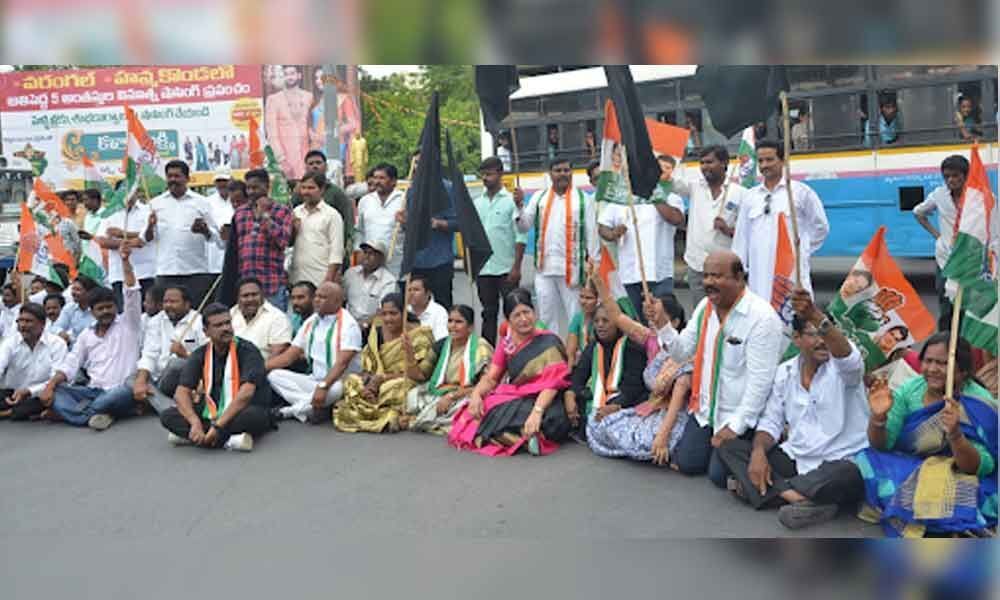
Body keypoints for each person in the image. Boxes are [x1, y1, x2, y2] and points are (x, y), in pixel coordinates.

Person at [717, 288, 869, 530]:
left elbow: (849, 357)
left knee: (849, 474)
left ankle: (774, 491)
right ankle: (799, 498)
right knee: (729, 446)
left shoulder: (844, 370)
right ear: (796, 339)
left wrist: (816, 316)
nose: (822, 341)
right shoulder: (784, 373)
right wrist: (758, 453)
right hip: (799, 458)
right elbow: (771, 423)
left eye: (825, 333)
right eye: (812, 334)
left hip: (840, 460)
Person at [653, 250, 785, 486]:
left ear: (739, 279)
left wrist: (735, 427)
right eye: (705, 276)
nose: (708, 283)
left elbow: (760, 383)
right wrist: (663, 326)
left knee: (718, 476)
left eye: (717, 276)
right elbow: (682, 351)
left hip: (739, 413)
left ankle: (763, 446)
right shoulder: (705, 307)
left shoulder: (762, 318)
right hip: (706, 411)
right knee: (688, 463)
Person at [855, 333, 997, 537]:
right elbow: (883, 445)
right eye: (928, 361)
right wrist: (878, 418)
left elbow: (978, 468)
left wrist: (956, 434)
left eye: (942, 363)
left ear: (963, 370)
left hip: (959, 476)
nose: (932, 369)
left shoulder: (980, 403)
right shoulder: (910, 390)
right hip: (910, 465)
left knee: (957, 495)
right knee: (865, 459)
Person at [447, 289, 574, 456]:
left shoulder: (550, 341)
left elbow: (552, 384)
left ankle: (510, 435)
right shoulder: (507, 344)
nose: (523, 319)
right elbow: (492, 378)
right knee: (485, 407)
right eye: (517, 315)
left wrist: (537, 412)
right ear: (509, 321)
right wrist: (476, 395)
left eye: (526, 312)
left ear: (534, 313)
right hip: (518, 397)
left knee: (554, 421)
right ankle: (522, 437)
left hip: (547, 399)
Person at [582, 286, 692, 465]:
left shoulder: (683, 351)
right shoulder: (650, 339)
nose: (653, 320)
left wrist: (662, 437)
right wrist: (598, 281)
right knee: (597, 422)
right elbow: (617, 316)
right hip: (651, 406)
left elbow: (678, 397)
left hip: (673, 415)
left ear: (675, 322)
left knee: (645, 441)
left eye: (659, 316)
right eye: (651, 316)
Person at [38, 245, 142, 430]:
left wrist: (125, 262)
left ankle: (78, 414)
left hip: (120, 390)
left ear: (115, 307)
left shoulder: (128, 325)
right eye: (100, 309)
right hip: (92, 391)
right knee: (58, 392)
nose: (106, 312)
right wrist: (51, 385)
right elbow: (71, 364)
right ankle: (101, 413)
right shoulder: (86, 336)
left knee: (118, 394)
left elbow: (132, 293)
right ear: (92, 312)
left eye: (109, 307)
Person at [159, 303, 273, 451]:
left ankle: (201, 438)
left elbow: (246, 394)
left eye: (227, 323)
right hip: (212, 409)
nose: (225, 328)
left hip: (243, 408)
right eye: (218, 325)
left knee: (252, 417)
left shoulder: (248, 350)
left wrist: (218, 426)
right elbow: (181, 393)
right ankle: (228, 440)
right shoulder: (200, 354)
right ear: (206, 332)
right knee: (167, 416)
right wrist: (194, 422)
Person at [733, 140, 829, 299]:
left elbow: (820, 227)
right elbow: (741, 239)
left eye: (770, 160)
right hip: (759, 276)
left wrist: (801, 249)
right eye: (761, 161)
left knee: (792, 316)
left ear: (783, 161)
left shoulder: (800, 192)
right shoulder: (750, 197)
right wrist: (739, 272)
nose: (764, 165)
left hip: (790, 273)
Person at [515, 158, 598, 337]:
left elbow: (592, 236)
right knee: (546, 317)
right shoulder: (539, 198)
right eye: (558, 170)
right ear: (550, 173)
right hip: (544, 270)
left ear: (572, 173)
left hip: (573, 271)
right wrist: (519, 206)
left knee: (576, 317)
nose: (562, 174)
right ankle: (551, 356)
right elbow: (523, 226)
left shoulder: (583, 200)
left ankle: (577, 355)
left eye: (566, 170)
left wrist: (593, 271)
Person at [333, 293, 436, 433]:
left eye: (393, 313)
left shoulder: (420, 336)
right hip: (375, 381)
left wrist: (409, 355)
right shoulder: (377, 332)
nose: (388, 318)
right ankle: (378, 411)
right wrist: (368, 379)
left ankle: (377, 413)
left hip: (403, 381)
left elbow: (420, 376)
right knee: (351, 381)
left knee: (395, 387)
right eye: (384, 314)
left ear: (404, 313)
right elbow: (369, 364)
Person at [598, 162, 685, 320]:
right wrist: (612, 233)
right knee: (634, 322)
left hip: (659, 274)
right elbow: (603, 226)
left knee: (661, 320)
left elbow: (676, 218)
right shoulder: (621, 198)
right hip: (629, 274)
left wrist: (655, 196)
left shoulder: (669, 196)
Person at [267, 282, 362, 423]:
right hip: (313, 379)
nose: (316, 300)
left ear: (337, 301)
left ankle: (288, 411)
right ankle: (314, 407)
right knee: (274, 375)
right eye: (316, 296)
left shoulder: (349, 325)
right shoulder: (311, 321)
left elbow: (342, 364)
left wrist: (323, 387)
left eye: (322, 297)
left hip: (340, 381)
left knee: (336, 389)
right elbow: (289, 356)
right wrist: (259, 368)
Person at [401, 304, 494, 434]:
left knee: (466, 408)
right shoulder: (442, 344)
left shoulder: (481, 347)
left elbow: (488, 384)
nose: (453, 326)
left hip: (467, 394)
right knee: (411, 395)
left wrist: (452, 396)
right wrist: (410, 354)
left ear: (470, 327)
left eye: (459, 322)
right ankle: (428, 418)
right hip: (440, 392)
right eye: (450, 321)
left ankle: (424, 419)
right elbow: (420, 375)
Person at [567, 303, 650, 442]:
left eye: (605, 321)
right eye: (596, 321)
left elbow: (634, 387)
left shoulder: (632, 347)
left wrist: (616, 406)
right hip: (600, 400)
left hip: (626, 401)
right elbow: (578, 377)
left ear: (619, 324)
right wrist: (569, 395)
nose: (600, 325)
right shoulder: (594, 346)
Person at [120, 284, 206, 415]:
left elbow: (209, 358)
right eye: (166, 301)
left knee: (175, 364)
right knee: (132, 380)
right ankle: (174, 410)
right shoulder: (156, 321)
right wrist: (141, 381)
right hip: (160, 381)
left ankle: (158, 405)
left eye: (173, 302)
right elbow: (149, 353)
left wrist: (185, 355)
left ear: (187, 304)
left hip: (189, 379)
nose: (168, 305)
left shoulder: (199, 321)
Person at [684, 146, 749, 309]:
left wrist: (727, 230)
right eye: (702, 163)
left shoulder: (740, 193)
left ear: (724, 163)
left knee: (727, 313)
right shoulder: (695, 187)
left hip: (726, 270)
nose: (705, 167)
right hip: (697, 265)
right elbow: (669, 182)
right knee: (702, 316)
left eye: (710, 162)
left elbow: (749, 234)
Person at [150, 159, 221, 308]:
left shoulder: (202, 202)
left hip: (195, 271)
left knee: (196, 316)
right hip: (166, 271)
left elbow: (219, 239)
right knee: (166, 316)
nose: (173, 180)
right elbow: (146, 239)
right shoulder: (155, 204)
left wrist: (205, 230)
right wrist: (150, 226)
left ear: (187, 179)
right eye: (169, 176)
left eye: (177, 176)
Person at [473, 157, 526, 346]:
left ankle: (516, 351)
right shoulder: (477, 203)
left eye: (490, 174)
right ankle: (487, 356)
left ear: (500, 173)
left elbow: (521, 236)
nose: (486, 178)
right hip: (484, 269)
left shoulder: (512, 202)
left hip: (506, 268)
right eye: (483, 175)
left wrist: (517, 267)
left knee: (513, 312)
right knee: (488, 313)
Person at [913, 155, 969, 330]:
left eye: (955, 175)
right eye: (947, 176)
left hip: (970, 258)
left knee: (968, 305)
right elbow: (918, 213)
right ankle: (945, 343)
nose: (951, 180)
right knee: (946, 303)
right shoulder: (939, 195)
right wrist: (937, 235)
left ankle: (965, 347)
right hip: (945, 258)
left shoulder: (977, 196)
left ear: (965, 175)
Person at [400, 150, 458, 310]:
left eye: (422, 162)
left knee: (442, 307)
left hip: (439, 260)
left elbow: (460, 222)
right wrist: (404, 222)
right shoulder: (410, 191)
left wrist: (439, 224)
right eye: (416, 163)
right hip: (416, 261)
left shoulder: (448, 189)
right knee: (416, 308)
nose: (418, 166)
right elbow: (409, 227)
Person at [229, 168, 294, 310]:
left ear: (267, 186)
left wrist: (265, 216)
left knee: (275, 329)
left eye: (255, 187)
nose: (251, 192)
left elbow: (283, 241)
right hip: (246, 285)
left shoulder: (282, 211)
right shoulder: (240, 213)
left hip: (272, 284)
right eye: (248, 188)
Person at [0, 303, 68, 421]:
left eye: (28, 321)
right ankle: (14, 412)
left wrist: (29, 391)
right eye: (20, 321)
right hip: (13, 393)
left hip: (41, 393)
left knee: (51, 398)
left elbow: (55, 378)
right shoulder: (10, 342)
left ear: (42, 324)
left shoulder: (57, 344)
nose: (22, 325)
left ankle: (8, 413)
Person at [96, 187, 157, 310]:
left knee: (148, 312)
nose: (128, 195)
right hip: (119, 274)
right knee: (124, 314)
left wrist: (121, 233)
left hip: (145, 272)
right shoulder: (109, 213)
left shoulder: (147, 211)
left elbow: (150, 236)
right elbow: (102, 241)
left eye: (132, 191)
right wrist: (133, 240)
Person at [290, 172, 344, 287]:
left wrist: (328, 280)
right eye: (303, 188)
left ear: (322, 189)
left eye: (311, 188)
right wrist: (293, 229)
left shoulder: (332, 215)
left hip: (320, 279)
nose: (306, 192)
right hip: (297, 279)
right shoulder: (296, 213)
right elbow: (288, 244)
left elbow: (336, 252)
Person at [298, 150, 354, 256]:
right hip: (305, 249)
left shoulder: (337, 193)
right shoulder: (299, 192)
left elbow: (348, 220)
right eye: (311, 163)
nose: (315, 166)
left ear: (326, 167)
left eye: (318, 163)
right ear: (306, 167)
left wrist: (346, 248)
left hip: (330, 248)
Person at [356, 163, 406, 278]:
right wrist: (358, 252)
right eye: (375, 177)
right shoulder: (365, 201)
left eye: (382, 178)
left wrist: (406, 222)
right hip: (370, 262)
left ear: (393, 181)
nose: (377, 181)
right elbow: (359, 231)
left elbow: (414, 231)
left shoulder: (405, 200)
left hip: (395, 263)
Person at [264, 65, 312, 179]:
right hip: (286, 157)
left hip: (307, 155)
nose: (289, 77)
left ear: (299, 76)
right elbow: (272, 133)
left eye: (292, 73)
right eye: (286, 74)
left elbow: (312, 125)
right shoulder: (273, 100)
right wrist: (281, 159)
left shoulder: (308, 97)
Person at [229, 277, 292, 363]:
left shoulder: (277, 317)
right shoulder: (230, 314)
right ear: (238, 298)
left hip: (263, 370)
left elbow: (278, 353)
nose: (250, 299)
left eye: (254, 295)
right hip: (229, 368)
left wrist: (255, 372)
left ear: (262, 295)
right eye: (245, 296)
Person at [342, 240, 397, 332]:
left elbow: (382, 312)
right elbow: (342, 300)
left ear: (381, 258)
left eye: (371, 253)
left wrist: (363, 325)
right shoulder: (350, 273)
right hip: (347, 324)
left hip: (372, 328)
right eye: (364, 252)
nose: (366, 256)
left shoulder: (388, 281)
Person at [205, 166, 235, 278]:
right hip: (213, 260)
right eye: (219, 181)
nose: (222, 184)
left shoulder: (238, 200)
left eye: (225, 181)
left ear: (231, 180)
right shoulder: (207, 202)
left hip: (235, 257)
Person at [52, 275, 98, 346]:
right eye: (73, 289)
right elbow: (55, 327)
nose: (73, 293)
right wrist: (60, 332)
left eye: (78, 290)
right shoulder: (69, 308)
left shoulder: (97, 309)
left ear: (89, 292)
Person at [566, 280, 599, 368]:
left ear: (598, 300)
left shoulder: (604, 319)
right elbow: (570, 353)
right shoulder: (578, 318)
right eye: (581, 297)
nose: (583, 301)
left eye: (589, 298)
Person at [406, 273, 449, 341]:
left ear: (428, 293)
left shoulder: (439, 312)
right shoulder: (404, 311)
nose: (411, 293)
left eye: (416, 290)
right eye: (409, 290)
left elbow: (441, 340)